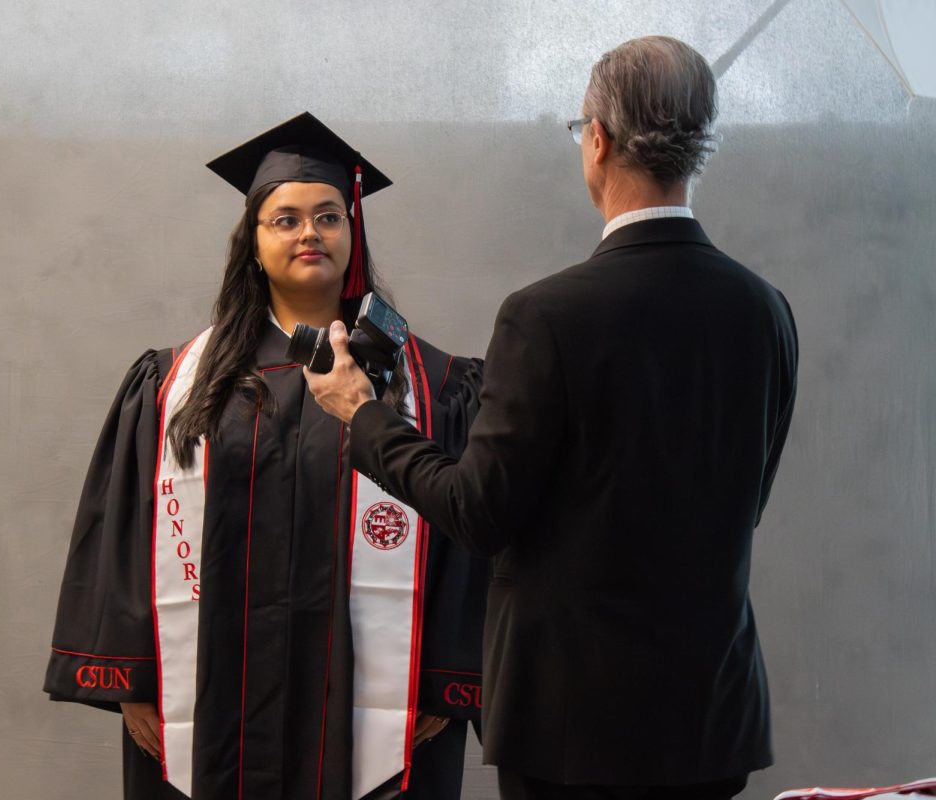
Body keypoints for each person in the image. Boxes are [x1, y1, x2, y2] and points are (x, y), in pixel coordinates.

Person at [305, 37, 799, 800]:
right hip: (712, 717)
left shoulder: (547, 315)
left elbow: (477, 511)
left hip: (573, 724)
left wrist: (363, 414)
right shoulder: (768, 312)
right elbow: (744, 501)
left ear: (596, 140)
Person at [44, 112, 489, 800]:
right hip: (209, 699)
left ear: (352, 233)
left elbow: (469, 533)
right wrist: (133, 677)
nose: (310, 232)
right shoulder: (174, 384)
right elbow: (126, 532)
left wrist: (446, 679)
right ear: (252, 243)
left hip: (377, 709)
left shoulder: (429, 386)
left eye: (328, 216)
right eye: (285, 219)